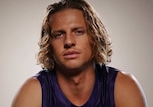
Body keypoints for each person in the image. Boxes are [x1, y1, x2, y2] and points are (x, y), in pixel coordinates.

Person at [12, 0, 147, 107]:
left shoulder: (122, 87)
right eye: (59, 35)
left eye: (78, 32)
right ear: (49, 43)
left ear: (94, 36)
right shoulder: (34, 93)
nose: (69, 41)